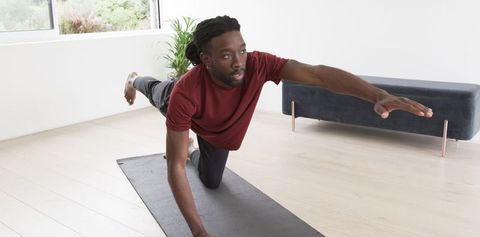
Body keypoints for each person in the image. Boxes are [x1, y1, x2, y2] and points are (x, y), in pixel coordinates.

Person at [123, 15, 433, 237]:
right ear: (206, 58)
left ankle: (194, 146)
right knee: (156, 91)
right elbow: (174, 168)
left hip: (214, 132)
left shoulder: (258, 64)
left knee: (212, 180)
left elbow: (318, 74)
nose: (239, 61)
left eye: (242, 50)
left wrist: (376, 95)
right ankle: (133, 79)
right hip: (178, 98)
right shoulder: (186, 93)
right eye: (226, 55)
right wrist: (199, 231)